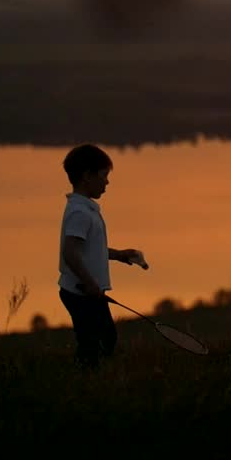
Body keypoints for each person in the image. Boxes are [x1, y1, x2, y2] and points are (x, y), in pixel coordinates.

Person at [58, 143, 148, 368]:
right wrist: (90, 284)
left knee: (105, 337)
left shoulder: (86, 210)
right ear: (87, 176)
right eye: (103, 175)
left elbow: (88, 251)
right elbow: (70, 253)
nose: (107, 182)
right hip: (81, 292)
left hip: (87, 292)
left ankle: (90, 374)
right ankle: (85, 376)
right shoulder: (79, 213)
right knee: (94, 342)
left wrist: (119, 255)